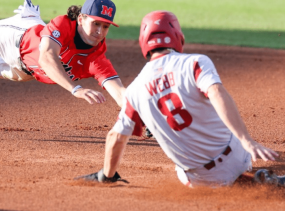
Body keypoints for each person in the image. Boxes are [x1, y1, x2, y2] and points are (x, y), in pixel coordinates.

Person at [76, 10, 285, 187]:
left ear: (144, 42)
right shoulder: (194, 63)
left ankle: (241, 182)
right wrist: (246, 140)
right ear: (178, 37)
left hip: (197, 180)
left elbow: (116, 137)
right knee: (219, 117)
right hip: (237, 159)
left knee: (182, 169)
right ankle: (253, 179)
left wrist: (107, 175)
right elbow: (217, 93)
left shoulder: (134, 91)